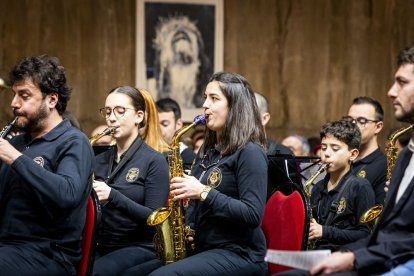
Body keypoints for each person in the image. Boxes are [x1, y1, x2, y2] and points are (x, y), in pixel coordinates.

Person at [147, 72, 268, 275]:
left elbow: (252, 214)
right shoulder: (210, 152)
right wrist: (190, 228)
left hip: (240, 253)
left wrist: (203, 192)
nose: (205, 104)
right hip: (207, 248)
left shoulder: (250, 152)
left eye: (214, 98)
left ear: (235, 106)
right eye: (205, 97)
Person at [309, 46, 414, 275]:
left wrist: (352, 256)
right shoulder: (407, 155)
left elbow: (377, 231)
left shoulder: (378, 169)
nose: (391, 92)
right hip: (369, 251)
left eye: (402, 82)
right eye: (350, 119)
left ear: (378, 127)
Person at [0, 55, 94, 274]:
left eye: (24, 96)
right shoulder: (17, 141)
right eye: (14, 95)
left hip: (48, 255)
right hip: (8, 248)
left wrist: (15, 158)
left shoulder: (74, 142)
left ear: (52, 100)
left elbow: (68, 194)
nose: (14, 103)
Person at [92, 86, 170, 275]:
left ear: (139, 116)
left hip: (138, 246)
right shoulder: (98, 159)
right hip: (100, 242)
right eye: (108, 111)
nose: (111, 117)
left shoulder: (155, 160)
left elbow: (154, 218)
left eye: (120, 111)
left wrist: (113, 195)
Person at [309, 120, 375, 251]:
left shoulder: (360, 186)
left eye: (335, 148)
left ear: (353, 154)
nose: (326, 153)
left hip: (344, 257)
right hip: (318, 253)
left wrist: (325, 232)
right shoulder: (317, 187)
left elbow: (366, 234)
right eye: (323, 147)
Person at [343, 96, 387, 204]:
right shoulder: (342, 158)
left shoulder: (385, 166)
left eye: (362, 121)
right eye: (349, 120)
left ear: (378, 127)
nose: (353, 125)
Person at [156, 97, 196, 172]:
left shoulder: (189, 158)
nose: (158, 129)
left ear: (178, 124)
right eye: (155, 124)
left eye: (164, 124)